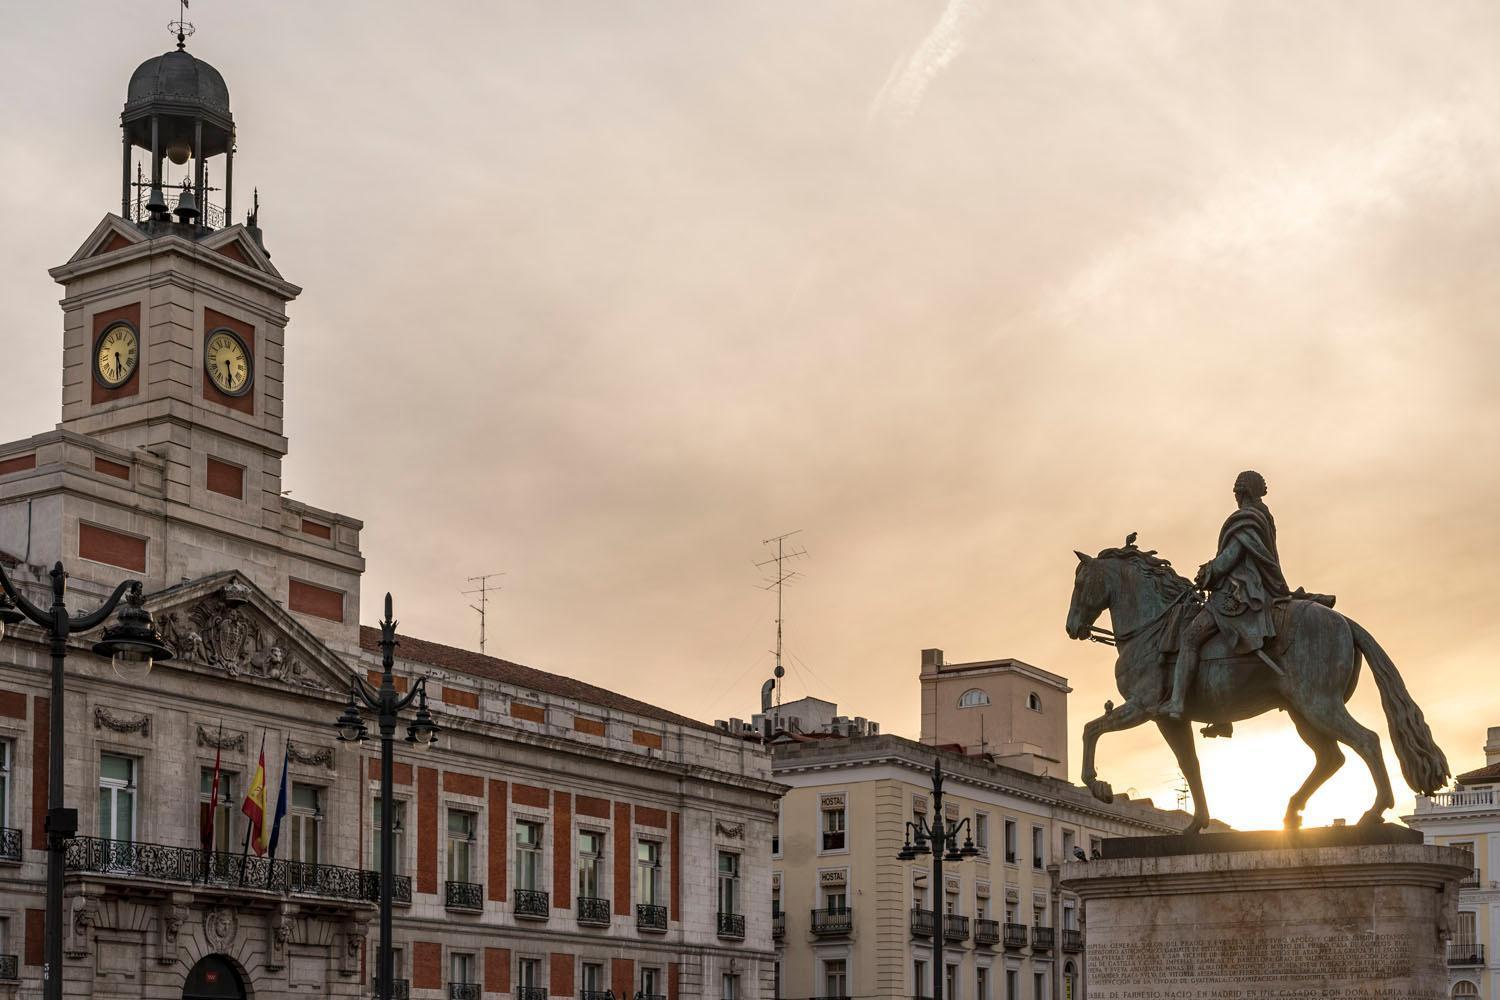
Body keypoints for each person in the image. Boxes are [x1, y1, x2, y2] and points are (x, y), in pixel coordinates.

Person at [1161, 470, 1290, 720]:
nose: (1235, 495)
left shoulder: (1246, 519)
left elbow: (1230, 558)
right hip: (1254, 587)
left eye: (1236, 491)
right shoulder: (1264, 516)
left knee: (1189, 638)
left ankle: (1176, 702)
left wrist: (1208, 572)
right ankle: (1220, 717)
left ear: (1243, 492)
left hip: (1240, 593)